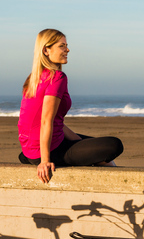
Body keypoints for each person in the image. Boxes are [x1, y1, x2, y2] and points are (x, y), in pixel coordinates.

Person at [18, 29, 123, 183]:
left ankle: (116, 182)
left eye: (66, 45)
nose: (67, 49)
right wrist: (44, 161)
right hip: (48, 150)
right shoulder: (57, 77)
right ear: (46, 50)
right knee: (113, 145)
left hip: (30, 150)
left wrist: (78, 141)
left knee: (95, 149)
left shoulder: (33, 78)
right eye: (62, 46)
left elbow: (51, 120)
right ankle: (118, 184)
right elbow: (46, 121)